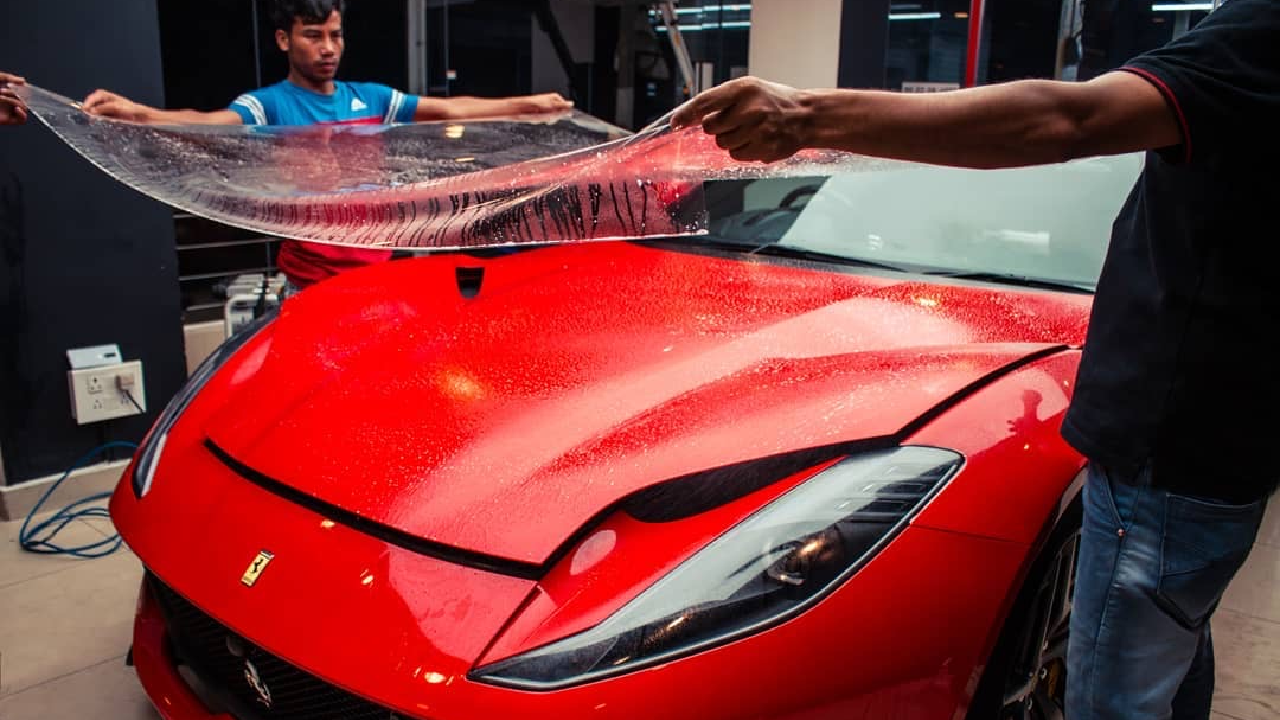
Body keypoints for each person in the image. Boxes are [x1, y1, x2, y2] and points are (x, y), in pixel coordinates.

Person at [672, 2, 1274, 719]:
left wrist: (805, 114)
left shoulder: (1261, 31)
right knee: (1172, 642)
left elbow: (1068, 121)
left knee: (1116, 698)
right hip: (1222, 436)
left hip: (1170, 451)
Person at [80, 0, 572, 295]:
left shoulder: (372, 97)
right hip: (310, 282)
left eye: (335, 35)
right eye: (313, 36)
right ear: (283, 40)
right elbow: (210, 126)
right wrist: (139, 114)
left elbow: (449, 111)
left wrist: (528, 104)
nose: (328, 48)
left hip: (378, 274)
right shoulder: (269, 105)